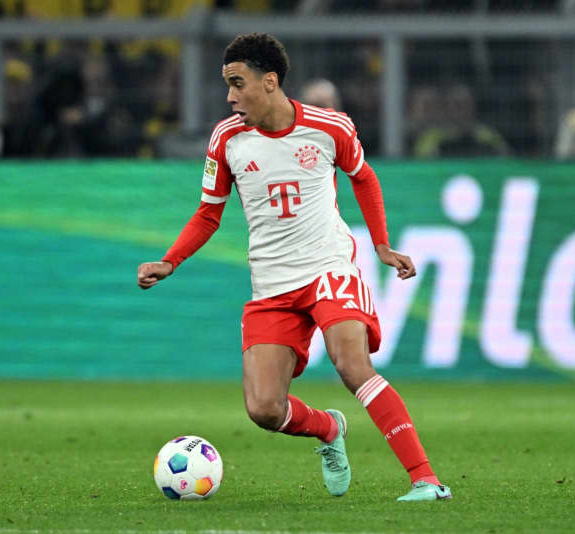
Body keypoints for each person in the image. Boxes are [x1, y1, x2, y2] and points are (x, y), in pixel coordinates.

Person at [137, 33, 451, 502]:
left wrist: (382, 246)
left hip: (328, 266)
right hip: (271, 283)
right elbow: (209, 212)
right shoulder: (227, 139)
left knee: (352, 365)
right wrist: (170, 260)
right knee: (264, 408)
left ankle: (425, 479)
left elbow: (363, 177)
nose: (229, 96)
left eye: (237, 83)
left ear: (269, 81)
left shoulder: (329, 127)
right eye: (226, 85)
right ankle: (328, 428)